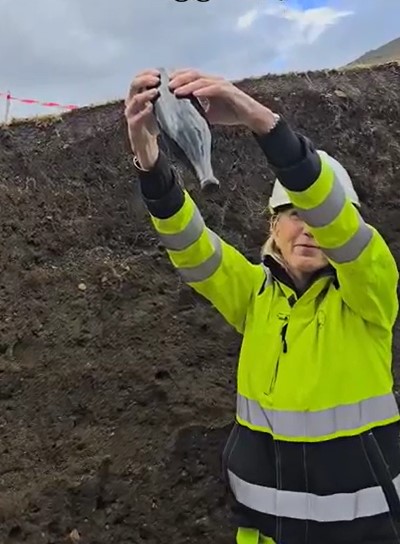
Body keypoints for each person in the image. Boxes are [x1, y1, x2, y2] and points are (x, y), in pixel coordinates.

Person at [124, 68, 400, 544]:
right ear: (273, 225)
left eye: (317, 215)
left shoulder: (369, 292)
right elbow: (191, 245)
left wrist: (262, 123)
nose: (308, 228)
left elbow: (336, 222)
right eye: (293, 213)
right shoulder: (256, 296)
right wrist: (150, 162)